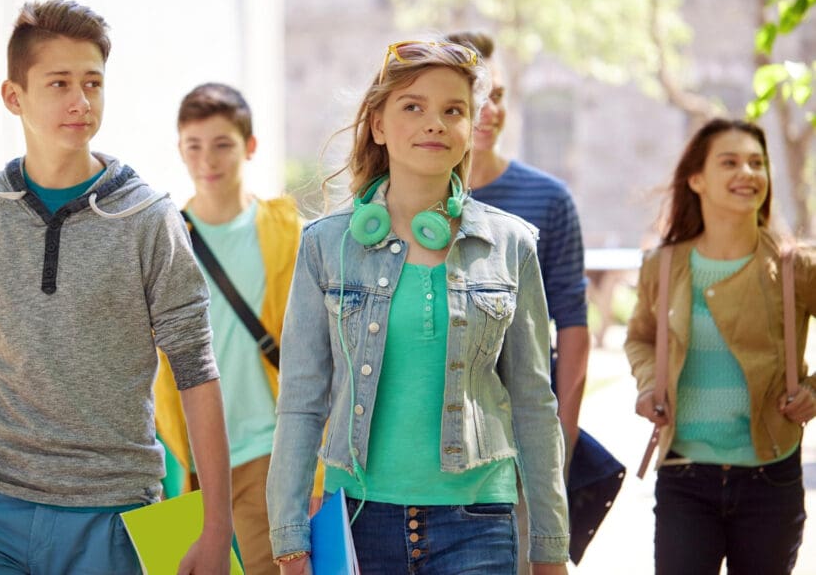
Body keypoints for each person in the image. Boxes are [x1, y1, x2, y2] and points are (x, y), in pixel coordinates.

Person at [0, 0, 233, 574]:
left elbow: (196, 370)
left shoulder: (148, 217)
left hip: (112, 515)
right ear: (13, 96)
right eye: (60, 83)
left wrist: (215, 526)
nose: (81, 101)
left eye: (93, 83)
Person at [266, 39, 570, 574]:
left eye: (453, 111)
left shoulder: (511, 245)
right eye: (413, 106)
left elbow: (533, 402)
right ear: (378, 125)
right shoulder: (324, 246)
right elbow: (300, 401)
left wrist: (549, 544)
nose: (435, 123)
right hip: (358, 520)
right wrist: (290, 540)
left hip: (478, 520)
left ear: (470, 127)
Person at [625, 118, 816, 574]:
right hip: (684, 475)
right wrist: (652, 383)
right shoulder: (663, 265)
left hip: (772, 476)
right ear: (697, 179)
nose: (747, 173)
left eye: (757, 163)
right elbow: (640, 338)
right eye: (729, 162)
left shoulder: (796, 266)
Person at [447, 31, 591, 572]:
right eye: (476, 95)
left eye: (500, 94)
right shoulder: (402, 206)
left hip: (520, 446)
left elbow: (572, 326)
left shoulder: (548, 200)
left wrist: (562, 440)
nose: (490, 109)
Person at [155, 82, 301, 575]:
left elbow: (316, 353)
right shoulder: (164, 239)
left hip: (267, 450)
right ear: (180, 150)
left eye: (223, 145)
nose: (207, 160)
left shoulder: (287, 233)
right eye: (194, 146)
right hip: (186, 461)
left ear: (250, 146)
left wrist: (316, 469)